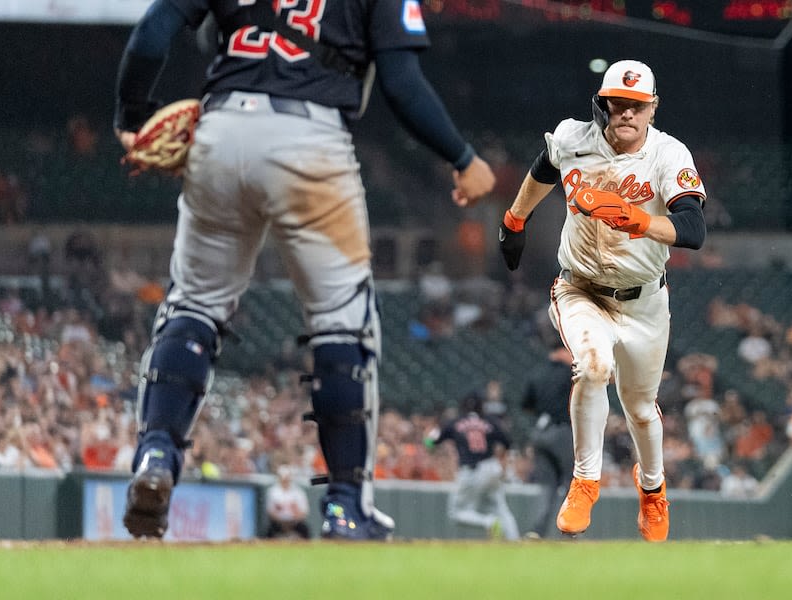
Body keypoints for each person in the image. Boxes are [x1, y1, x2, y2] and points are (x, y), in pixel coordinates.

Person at [112, 0, 496, 540]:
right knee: (343, 324)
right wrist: (461, 157)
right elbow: (403, 84)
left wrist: (132, 116)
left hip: (220, 128)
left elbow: (151, 36)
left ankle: (155, 454)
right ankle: (345, 507)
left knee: (194, 304)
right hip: (309, 137)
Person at [497, 59, 707, 542]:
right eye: (618, 104)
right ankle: (585, 480)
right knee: (592, 367)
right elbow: (543, 168)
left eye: (637, 105)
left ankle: (652, 490)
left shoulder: (668, 155)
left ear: (652, 108)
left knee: (640, 408)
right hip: (580, 286)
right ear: (603, 103)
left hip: (644, 302)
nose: (627, 114)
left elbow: (694, 231)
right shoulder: (575, 138)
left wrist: (637, 220)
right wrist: (514, 220)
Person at [431, 394, 519, 540]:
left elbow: (432, 441)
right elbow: (508, 443)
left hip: (471, 471)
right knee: (501, 509)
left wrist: (428, 440)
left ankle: (488, 522)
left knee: (457, 513)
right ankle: (515, 540)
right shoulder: (491, 421)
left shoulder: (455, 422)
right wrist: (503, 465)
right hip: (492, 467)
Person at [520, 340, 575, 539]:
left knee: (547, 485)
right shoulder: (570, 374)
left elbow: (525, 404)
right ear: (563, 351)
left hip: (540, 432)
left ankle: (537, 531)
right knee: (572, 481)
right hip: (562, 432)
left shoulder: (537, 373)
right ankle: (570, 530)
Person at [264, 466, 310, 539]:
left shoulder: (298, 492)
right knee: (269, 530)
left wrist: (293, 521)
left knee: (305, 529)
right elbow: (270, 511)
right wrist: (282, 522)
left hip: (295, 523)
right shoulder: (273, 491)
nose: (285, 480)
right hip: (278, 523)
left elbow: (304, 512)